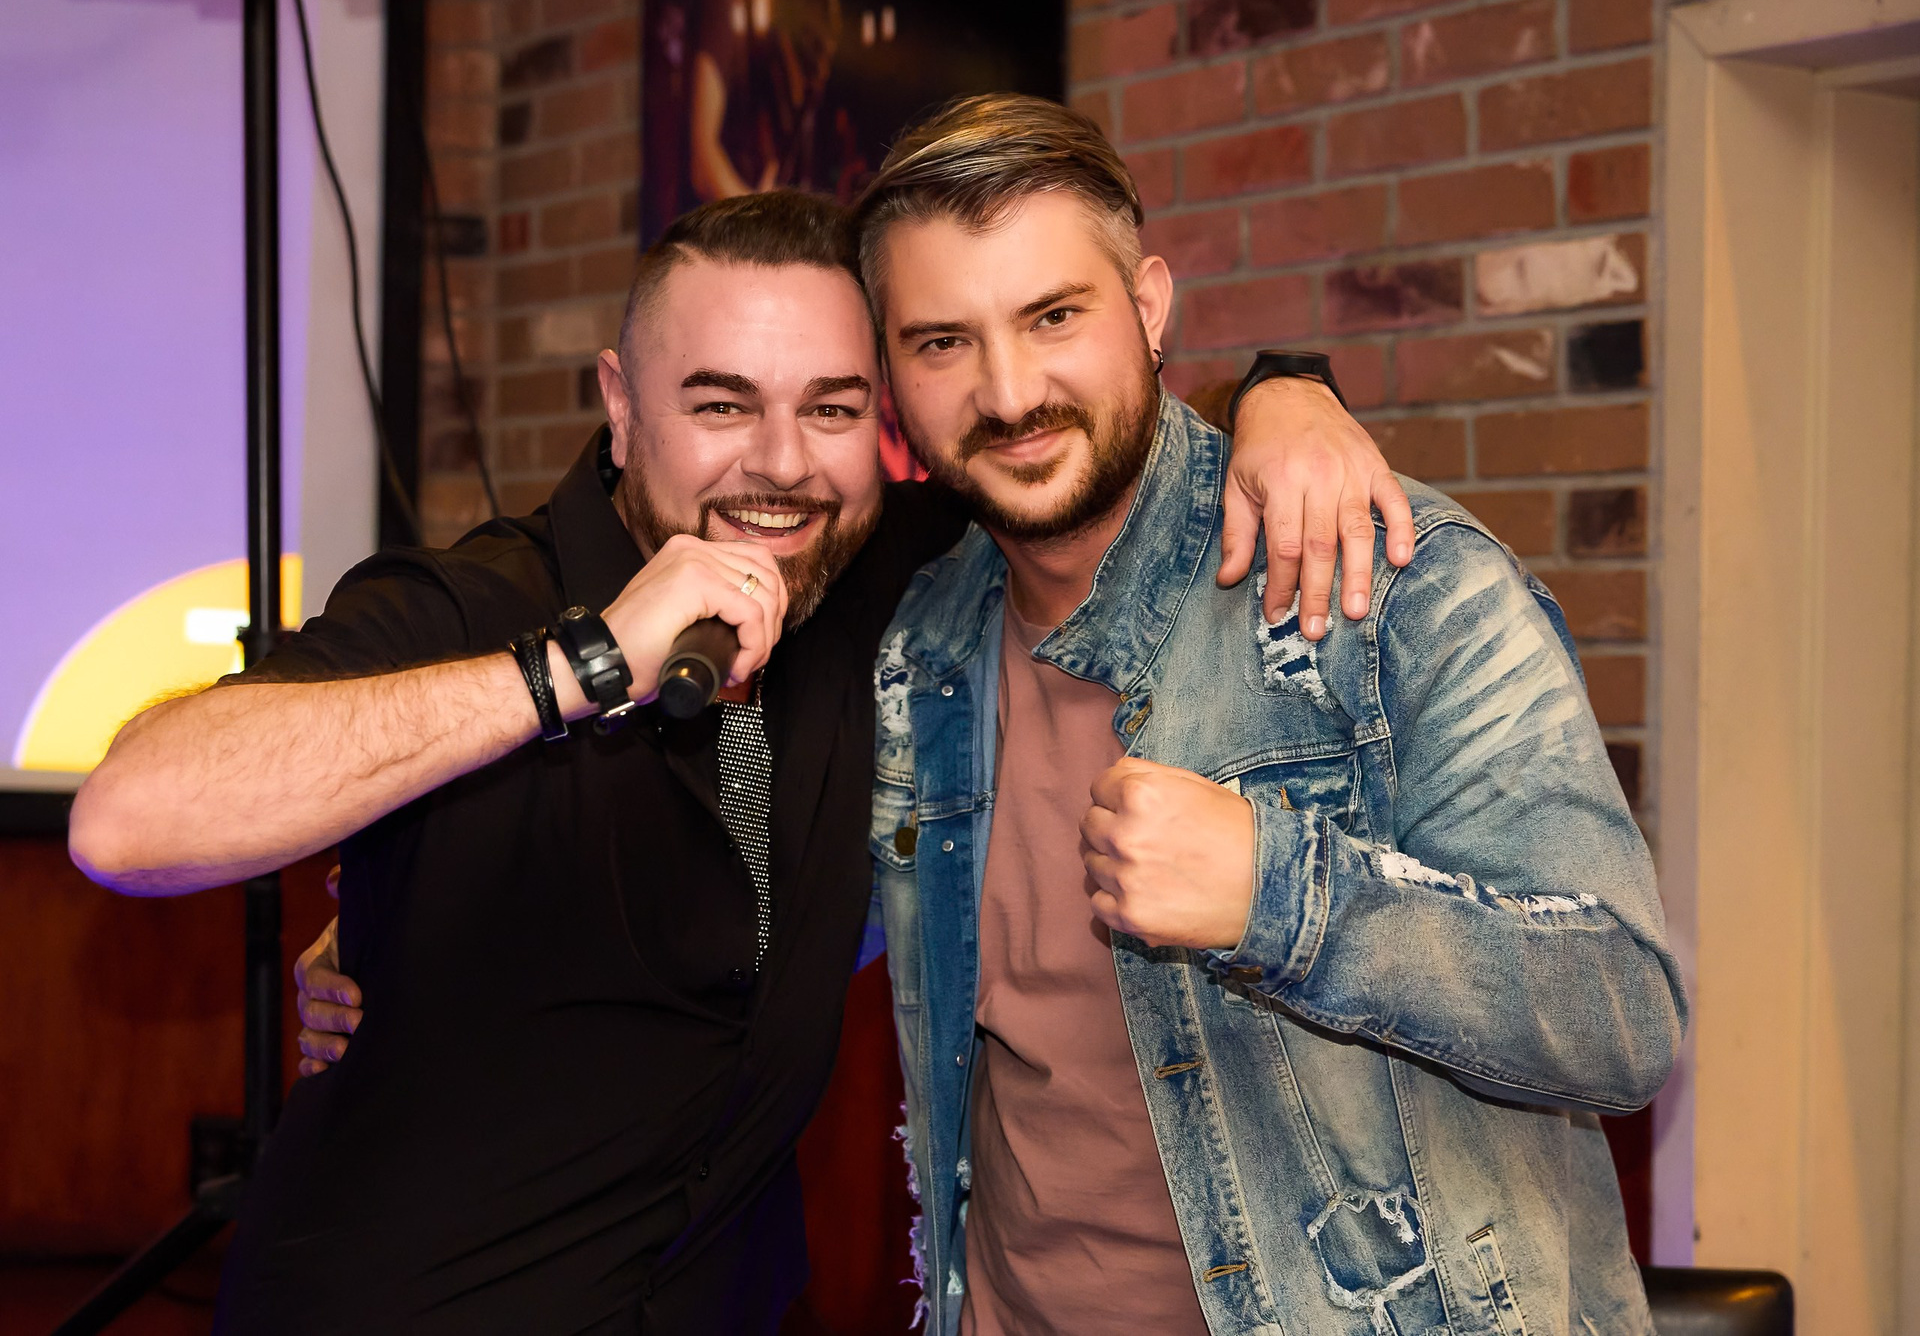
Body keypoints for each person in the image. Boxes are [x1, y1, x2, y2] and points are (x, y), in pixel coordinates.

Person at [70, 188, 1403, 1333]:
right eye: (721, 403)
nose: (780, 465)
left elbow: (1097, 453)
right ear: (619, 405)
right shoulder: (477, 604)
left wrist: (1285, 395)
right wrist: (583, 664)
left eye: (831, 408)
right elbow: (128, 817)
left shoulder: (871, 567)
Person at [856, 95, 1686, 1335]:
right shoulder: (922, 642)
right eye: (941, 341)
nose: (1010, 389)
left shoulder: (1388, 578)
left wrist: (1282, 894)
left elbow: (1621, 1010)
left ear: (1149, 307)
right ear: (892, 378)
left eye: (1054, 316)